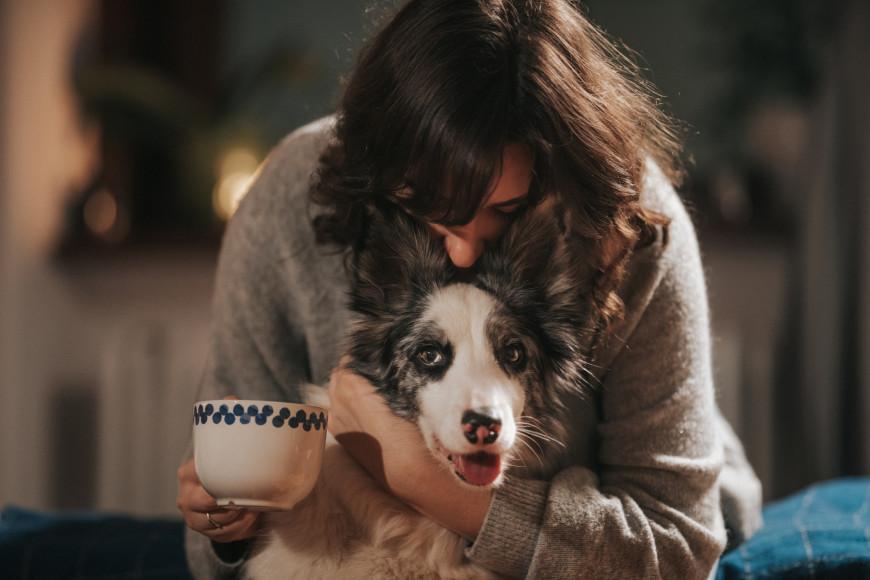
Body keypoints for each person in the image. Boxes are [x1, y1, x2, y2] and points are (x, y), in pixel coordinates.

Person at [177, 1, 763, 578]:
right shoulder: (285, 200)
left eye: (506, 211)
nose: (460, 252)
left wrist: (421, 480)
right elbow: (212, 550)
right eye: (426, 208)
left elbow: (680, 544)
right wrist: (226, 520)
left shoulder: (633, 222)